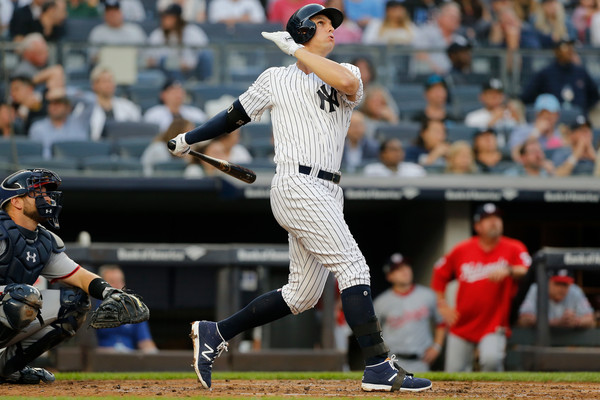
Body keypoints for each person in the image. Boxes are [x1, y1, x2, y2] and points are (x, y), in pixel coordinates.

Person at [169, 3, 432, 392]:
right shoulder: (275, 78)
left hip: (328, 189)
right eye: (321, 23)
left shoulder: (348, 72)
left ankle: (215, 332)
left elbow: (344, 83)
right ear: (302, 30)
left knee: (302, 295)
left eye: (331, 24)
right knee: (354, 269)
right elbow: (233, 116)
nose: (331, 29)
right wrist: (188, 139)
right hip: (297, 185)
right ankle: (378, 366)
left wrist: (296, 49)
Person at [0, 168, 148, 384]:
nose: (48, 198)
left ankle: (6, 368)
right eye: (39, 192)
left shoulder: (43, 241)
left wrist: (109, 291)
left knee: (75, 303)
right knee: (23, 297)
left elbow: (79, 276)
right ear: (17, 202)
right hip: (9, 300)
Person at [431, 203, 531, 372]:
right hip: (462, 323)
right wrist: (442, 305)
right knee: (454, 373)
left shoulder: (514, 247)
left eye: (497, 218)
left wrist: (509, 270)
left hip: (494, 323)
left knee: (491, 361)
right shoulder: (462, 249)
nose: (495, 222)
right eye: (488, 219)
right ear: (477, 226)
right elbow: (439, 273)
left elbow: (528, 269)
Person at [374, 253, 445, 372]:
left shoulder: (428, 295)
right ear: (389, 276)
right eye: (398, 269)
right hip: (393, 361)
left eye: (406, 266)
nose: (404, 271)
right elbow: (374, 333)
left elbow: (441, 322)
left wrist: (436, 347)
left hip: (421, 362)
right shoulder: (380, 302)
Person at [520, 39, 600, 115]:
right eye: (565, 47)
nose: (569, 50)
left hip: (578, 120)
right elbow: (527, 96)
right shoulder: (546, 73)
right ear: (556, 51)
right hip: (554, 122)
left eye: (571, 47)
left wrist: (583, 109)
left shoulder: (580, 72)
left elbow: (594, 95)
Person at [95, 265, 158, 352]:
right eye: (112, 282)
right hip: (101, 359)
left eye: (120, 281)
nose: (117, 286)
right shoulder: (92, 309)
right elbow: (87, 347)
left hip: (129, 360)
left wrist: (153, 355)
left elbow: (145, 342)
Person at [146, 4, 211, 81]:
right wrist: (175, 63)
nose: (165, 20)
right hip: (168, 72)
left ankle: (205, 84)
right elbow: (148, 59)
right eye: (164, 17)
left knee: (206, 54)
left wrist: (188, 64)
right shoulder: (157, 34)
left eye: (170, 17)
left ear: (178, 19)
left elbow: (204, 51)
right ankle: (177, 86)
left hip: (192, 70)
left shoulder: (193, 31)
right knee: (166, 61)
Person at [76, 65, 142, 141]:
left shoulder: (127, 106)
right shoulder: (83, 108)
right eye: (105, 81)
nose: (109, 85)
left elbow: (138, 128)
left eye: (111, 81)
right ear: (94, 85)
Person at [518, 269, 595, 329]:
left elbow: (591, 321)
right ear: (547, 281)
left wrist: (576, 321)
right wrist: (555, 323)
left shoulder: (575, 291)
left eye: (565, 284)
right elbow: (523, 320)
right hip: (539, 343)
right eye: (557, 283)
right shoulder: (536, 289)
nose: (561, 288)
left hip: (568, 344)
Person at [28, 87, 89, 159]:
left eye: (58, 103)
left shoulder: (80, 122)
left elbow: (91, 100)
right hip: (52, 168)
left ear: (68, 107)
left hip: (78, 168)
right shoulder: (37, 128)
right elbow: (39, 157)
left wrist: (65, 92)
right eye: (51, 104)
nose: (54, 107)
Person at [464, 78, 520, 148]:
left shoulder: (510, 114)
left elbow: (522, 136)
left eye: (498, 94)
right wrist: (493, 120)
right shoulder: (473, 117)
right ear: (482, 97)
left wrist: (518, 118)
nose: (495, 97)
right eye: (491, 93)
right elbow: (472, 141)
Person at [411, 2, 463, 76]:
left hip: (454, 79)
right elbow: (420, 55)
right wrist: (439, 73)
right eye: (452, 17)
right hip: (427, 77)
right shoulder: (426, 33)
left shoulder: (460, 40)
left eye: (458, 17)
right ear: (440, 17)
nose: (455, 20)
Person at [509, 93, 564, 161]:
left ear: (557, 115)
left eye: (552, 113)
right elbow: (516, 156)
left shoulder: (562, 133)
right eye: (544, 113)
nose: (548, 117)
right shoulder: (522, 130)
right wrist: (536, 133)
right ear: (537, 114)